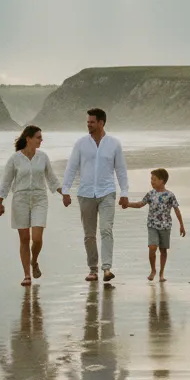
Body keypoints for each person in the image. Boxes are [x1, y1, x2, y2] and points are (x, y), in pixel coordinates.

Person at [59, 108, 129, 282]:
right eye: (88, 121)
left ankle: (107, 268)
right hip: (85, 193)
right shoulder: (81, 143)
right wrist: (65, 191)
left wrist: (124, 192)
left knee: (106, 229)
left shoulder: (114, 144)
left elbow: (120, 169)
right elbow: (72, 167)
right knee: (89, 234)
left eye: (92, 122)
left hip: (107, 192)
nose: (88, 124)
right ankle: (93, 269)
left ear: (101, 123)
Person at [0, 125, 61, 286]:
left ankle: (34, 261)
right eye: (38, 137)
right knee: (24, 238)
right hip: (20, 199)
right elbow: (6, 181)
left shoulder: (43, 157)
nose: (41, 140)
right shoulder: (15, 159)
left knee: (37, 239)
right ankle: (27, 275)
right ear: (28, 139)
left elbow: (51, 178)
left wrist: (64, 193)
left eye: (41, 137)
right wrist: (0, 202)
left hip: (39, 198)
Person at [125, 168, 185, 280]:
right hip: (152, 225)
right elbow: (140, 204)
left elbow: (177, 210)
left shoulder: (170, 195)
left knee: (163, 250)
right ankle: (153, 270)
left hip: (165, 226)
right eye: (151, 179)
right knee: (152, 247)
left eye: (154, 179)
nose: (152, 182)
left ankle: (161, 273)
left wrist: (182, 225)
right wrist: (127, 204)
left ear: (162, 181)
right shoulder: (150, 194)